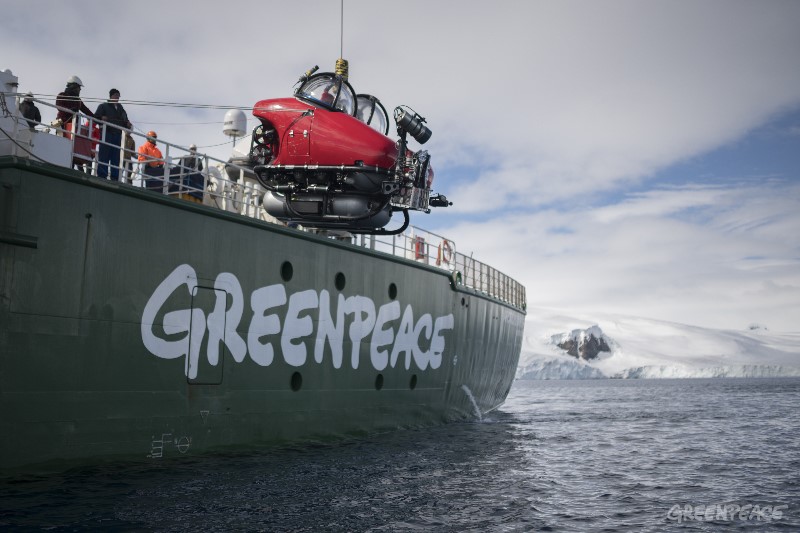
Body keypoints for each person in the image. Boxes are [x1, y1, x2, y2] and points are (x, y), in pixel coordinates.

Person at [94, 88, 132, 180]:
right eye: (115, 95)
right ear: (111, 96)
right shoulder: (103, 106)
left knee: (116, 157)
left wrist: (127, 124)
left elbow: (125, 121)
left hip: (118, 135)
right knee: (104, 155)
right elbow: (95, 118)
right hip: (106, 133)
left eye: (118, 96)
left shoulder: (121, 109)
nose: (117, 97)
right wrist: (101, 118)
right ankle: (102, 175)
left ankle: (114, 177)